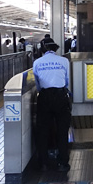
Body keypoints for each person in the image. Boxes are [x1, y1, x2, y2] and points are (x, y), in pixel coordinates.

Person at [32, 37, 72, 172]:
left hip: (44, 97)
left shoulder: (37, 63)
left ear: (43, 49)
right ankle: (63, 163)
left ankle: (43, 163)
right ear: (55, 48)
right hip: (61, 96)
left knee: (43, 130)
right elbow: (66, 80)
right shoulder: (64, 61)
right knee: (62, 130)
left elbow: (37, 84)